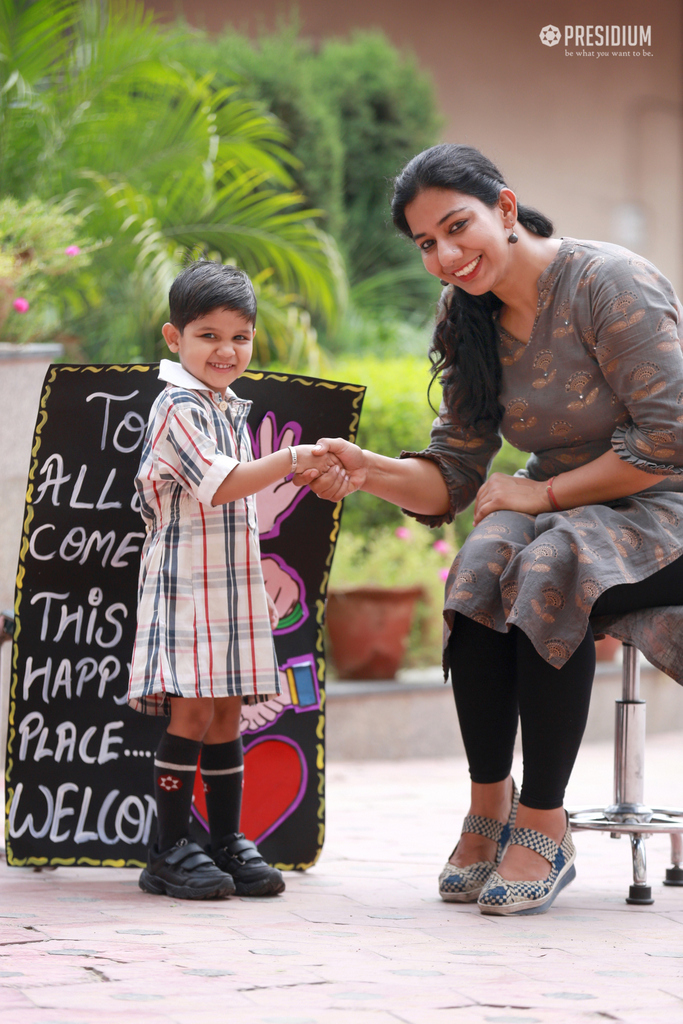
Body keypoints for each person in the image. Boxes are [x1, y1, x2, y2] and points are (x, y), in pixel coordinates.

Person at [305, 144, 683, 916]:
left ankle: (545, 821)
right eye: (425, 244)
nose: (445, 255)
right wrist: (366, 468)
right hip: (570, 505)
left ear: (504, 210)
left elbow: (670, 437)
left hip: (667, 501)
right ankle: (489, 805)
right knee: (480, 561)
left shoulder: (608, 282)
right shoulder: (465, 314)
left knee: (548, 562)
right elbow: (454, 472)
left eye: (457, 226)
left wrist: (542, 496)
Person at [128, 260, 345, 900]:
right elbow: (221, 484)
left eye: (240, 338)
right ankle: (166, 850)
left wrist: (286, 472)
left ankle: (223, 842)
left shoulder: (225, 406)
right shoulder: (177, 407)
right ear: (175, 339)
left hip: (230, 584)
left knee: (227, 712)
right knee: (194, 709)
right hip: (188, 587)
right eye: (209, 336)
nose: (226, 350)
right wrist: (291, 459)